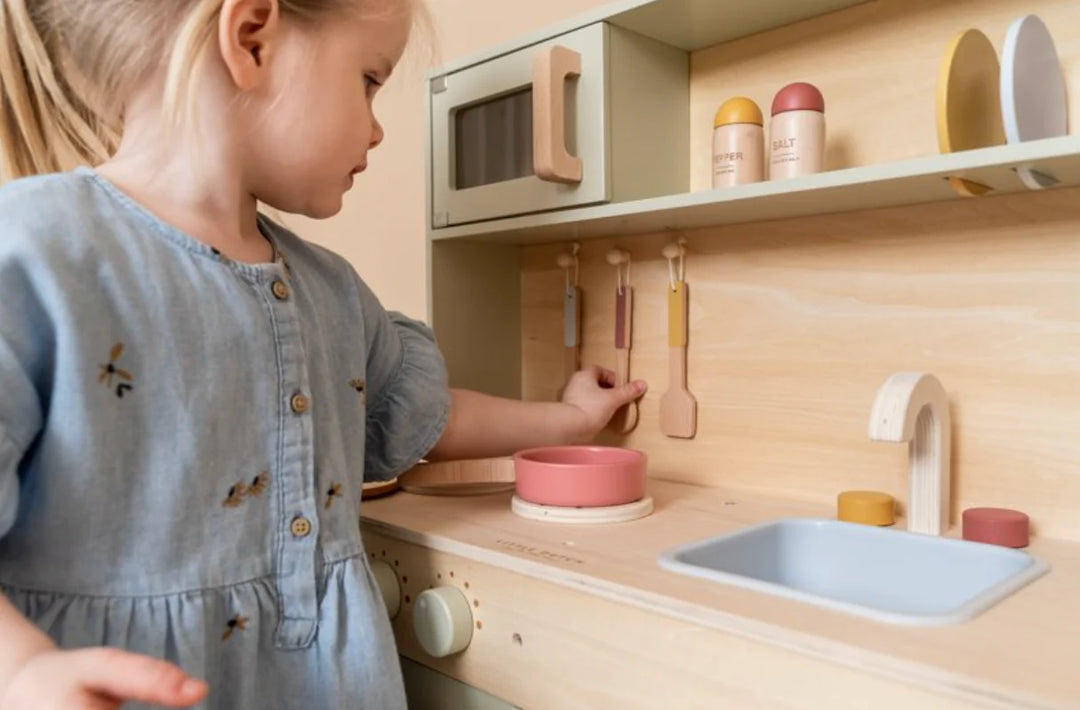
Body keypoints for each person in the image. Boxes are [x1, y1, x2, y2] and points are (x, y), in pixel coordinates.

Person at [0, 0, 647, 707]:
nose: (376, 127)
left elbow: (426, 419)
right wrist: (23, 671)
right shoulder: (35, 253)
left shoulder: (333, 292)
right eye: (370, 79)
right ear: (252, 39)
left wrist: (569, 422)